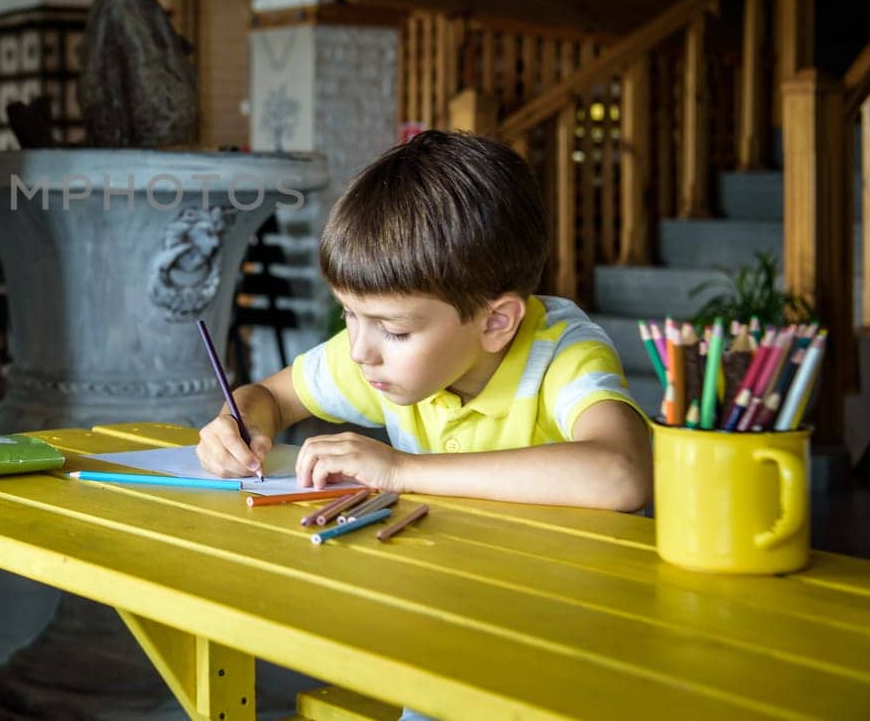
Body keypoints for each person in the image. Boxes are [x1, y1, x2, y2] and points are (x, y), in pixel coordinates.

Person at [198, 130, 651, 514]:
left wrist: (401, 470)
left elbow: (623, 473)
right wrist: (236, 427)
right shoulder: (377, 358)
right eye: (349, 315)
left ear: (495, 324)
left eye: (395, 331)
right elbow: (271, 397)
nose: (359, 350)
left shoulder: (562, 356)